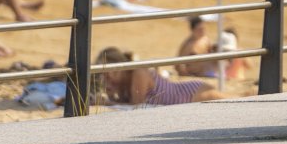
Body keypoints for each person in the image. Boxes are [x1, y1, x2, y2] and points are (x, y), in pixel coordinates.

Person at [95, 47, 226, 105]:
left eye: (108, 74)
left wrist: (109, 102)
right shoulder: (124, 82)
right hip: (185, 95)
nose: (106, 78)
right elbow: (126, 103)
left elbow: (136, 105)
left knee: (233, 102)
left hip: (190, 94)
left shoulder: (138, 72)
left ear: (118, 67)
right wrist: (111, 95)